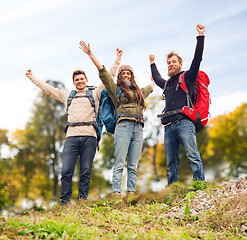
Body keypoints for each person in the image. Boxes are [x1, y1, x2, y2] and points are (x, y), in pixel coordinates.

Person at [25, 49, 123, 205]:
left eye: (82, 79)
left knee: (85, 171)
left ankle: (82, 201)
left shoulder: (95, 94)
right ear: (73, 82)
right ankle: (64, 202)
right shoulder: (67, 96)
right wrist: (32, 77)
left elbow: (108, 76)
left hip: (90, 137)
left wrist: (117, 58)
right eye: (77, 79)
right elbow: (47, 89)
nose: (79, 81)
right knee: (66, 171)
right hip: (71, 137)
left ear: (86, 80)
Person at [79, 40, 155, 195]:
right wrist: (90, 54)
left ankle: (131, 194)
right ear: (119, 77)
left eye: (128, 73)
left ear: (132, 77)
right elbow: (103, 72)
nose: (125, 75)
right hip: (123, 126)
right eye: (123, 73)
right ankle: (116, 194)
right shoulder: (115, 90)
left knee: (133, 164)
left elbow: (152, 85)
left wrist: (152, 64)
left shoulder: (139, 93)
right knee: (120, 162)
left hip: (138, 128)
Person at [149, 24, 206, 185]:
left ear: (180, 64)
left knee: (192, 156)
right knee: (170, 163)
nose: (170, 64)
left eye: (173, 62)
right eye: (168, 62)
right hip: (168, 127)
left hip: (184, 124)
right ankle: (172, 189)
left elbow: (197, 59)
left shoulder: (188, 78)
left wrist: (200, 36)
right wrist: (152, 63)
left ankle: (200, 185)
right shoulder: (167, 84)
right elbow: (157, 77)